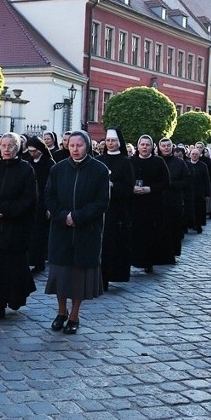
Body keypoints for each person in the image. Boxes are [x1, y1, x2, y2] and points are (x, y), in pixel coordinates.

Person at [44, 130, 109, 335]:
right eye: (71, 145)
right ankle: (61, 312)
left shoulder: (99, 170)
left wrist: (78, 217)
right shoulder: (58, 169)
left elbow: (101, 202)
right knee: (61, 274)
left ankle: (74, 315)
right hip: (61, 230)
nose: (75, 149)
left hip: (86, 230)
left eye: (79, 145)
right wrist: (64, 216)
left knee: (79, 276)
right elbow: (49, 197)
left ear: (87, 146)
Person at [0, 132, 37, 321]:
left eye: (10, 145)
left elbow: (29, 200)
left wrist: (5, 210)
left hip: (15, 228)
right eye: (3, 145)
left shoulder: (26, 170)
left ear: (18, 147)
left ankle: (14, 299)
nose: (6, 149)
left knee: (14, 267)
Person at [97, 128, 134, 290]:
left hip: (116, 210)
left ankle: (109, 276)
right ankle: (97, 278)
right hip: (99, 209)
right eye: (108, 141)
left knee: (112, 244)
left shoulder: (126, 162)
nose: (110, 144)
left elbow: (128, 187)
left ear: (119, 142)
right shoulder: (98, 160)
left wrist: (112, 185)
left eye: (113, 141)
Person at [129, 134, 170, 273]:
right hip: (134, 204)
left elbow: (166, 182)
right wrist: (132, 188)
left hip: (152, 203)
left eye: (147, 145)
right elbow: (125, 180)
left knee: (150, 234)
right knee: (134, 233)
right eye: (142, 144)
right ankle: (133, 260)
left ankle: (149, 262)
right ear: (138, 146)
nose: (145, 147)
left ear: (152, 147)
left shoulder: (158, 162)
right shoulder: (130, 161)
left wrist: (150, 189)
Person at [158, 139, 190, 263]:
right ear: (160, 147)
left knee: (173, 229)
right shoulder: (156, 161)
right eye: (163, 146)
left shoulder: (180, 163)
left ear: (172, 147)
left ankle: (172, 254)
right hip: (158, 201)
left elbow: (186, 181)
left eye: (168, 146)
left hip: (174, 201)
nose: (166, 148)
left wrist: (170, 184)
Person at [25, 135, 54, 273]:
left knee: (39, 235)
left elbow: (52, 187)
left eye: (34, 151)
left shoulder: (49, 164)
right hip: (29, 203)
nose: (32, 154)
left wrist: (49, 207)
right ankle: (29, 260)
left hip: (43, 203)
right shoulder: (27, 162)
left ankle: (39, 262)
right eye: (30, 151)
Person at [186, 147, 211, 234]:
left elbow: (206, 180)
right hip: (189, 190)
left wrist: (207, 193)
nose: (194, 156)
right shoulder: (186, 164)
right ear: (190, 155)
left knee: (198, 209)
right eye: (193, 154)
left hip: (199, 191)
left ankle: (198, 225)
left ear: (199, 155)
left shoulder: (203, 165)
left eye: (196, 154)